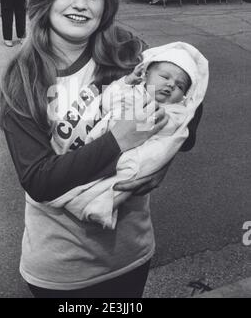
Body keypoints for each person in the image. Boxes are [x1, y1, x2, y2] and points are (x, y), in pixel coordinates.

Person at [0, 0, 202, 298]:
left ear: (106, 4)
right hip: (61, 269)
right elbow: (39, 181)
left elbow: (189, 95)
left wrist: (164, 159)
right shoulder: (23, 77)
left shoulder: (128, 49)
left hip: (131, 253)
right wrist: (120, 140)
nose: (80, 4)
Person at [48, 42, 209, 230]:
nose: (171, 84)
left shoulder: (172, 110)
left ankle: (102, 207)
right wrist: (126, 82)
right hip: (54, 230)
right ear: (145, 75)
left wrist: (162, 162)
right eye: (164, 77)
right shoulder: (134, 90)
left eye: (179, 86)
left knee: (124, 177)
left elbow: (187, 118)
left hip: (137, 159)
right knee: (86, 182)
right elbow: (108, 100)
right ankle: (84, 202)